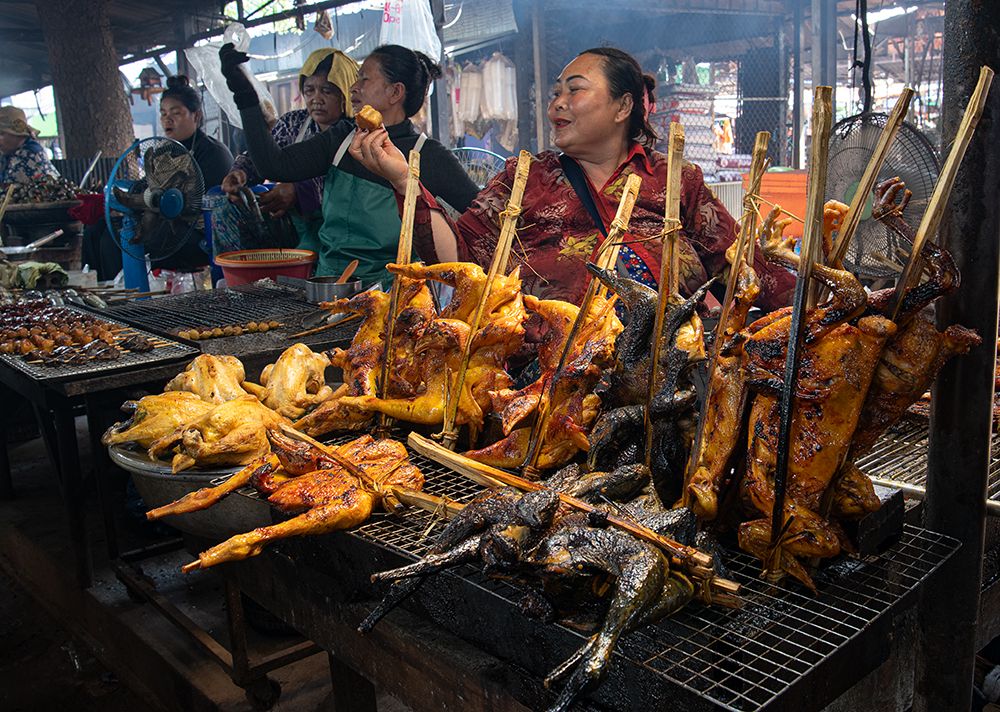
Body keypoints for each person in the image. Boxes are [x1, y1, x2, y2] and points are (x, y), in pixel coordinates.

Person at [350, 46, 795, 349]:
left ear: (622, 108)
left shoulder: (676, 178)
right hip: (548, 375)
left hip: (669, 365)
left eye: (574, 90)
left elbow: (746, 267)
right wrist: (405, 182)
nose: (556, 104)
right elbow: (462, 257)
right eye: (555, 93)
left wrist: (821, 309)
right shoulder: (525, 179)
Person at [219, 42, 480, 287]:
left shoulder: (428, 156)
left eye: (364, 79)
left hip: (395, 299)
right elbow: (274, 166)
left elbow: (483, 218)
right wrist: (246, 98)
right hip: (330, 287)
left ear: (395, 92)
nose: (354, 87)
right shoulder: (342, 137)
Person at [83, 74, 235, 279]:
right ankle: (98, 293)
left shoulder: (212, 152)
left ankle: (126, 301)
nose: (167, 120)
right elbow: (147, 189)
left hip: (199, 233)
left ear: (196, 116)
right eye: (163, 113)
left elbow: (204, 204)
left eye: (175, 113)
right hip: (164, 226)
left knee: (119, 239)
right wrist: (112, 201)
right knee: (96, 230)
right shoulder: (163, 153)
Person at [224, 48, 359, 252]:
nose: (316, 99)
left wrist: (298, 191)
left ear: (347, 91)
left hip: (346, 233)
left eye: (327, 91)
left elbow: (348, 185)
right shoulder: (293, 122)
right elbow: (262, 156)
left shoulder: (358, 131)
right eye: (309, 90)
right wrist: (242, 172)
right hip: (299, 230)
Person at [0, 106, 60, 184]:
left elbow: (9, 189)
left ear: (19, 136)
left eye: (1, 134)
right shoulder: (8, 152)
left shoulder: (29, 153)